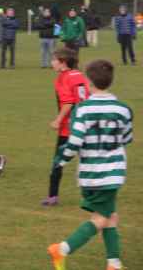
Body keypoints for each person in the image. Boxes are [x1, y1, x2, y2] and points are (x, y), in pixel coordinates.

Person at [47, 59, 132, 270]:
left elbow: (74, 141)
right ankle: (62, 249)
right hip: (112, 173)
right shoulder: (123, 109)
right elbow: (127, 138)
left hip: (90, 173)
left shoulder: (82, 109)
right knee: (102, 218)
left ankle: (113, 263)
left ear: (88, 82)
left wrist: (62, 160)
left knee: (109, 216)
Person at [41, 48, 89, 207]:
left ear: (63, 62)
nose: (52, 63)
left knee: (58, 162)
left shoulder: (63, 78)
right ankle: (91, 196)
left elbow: (68, 102)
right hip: (87, 125)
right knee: (87, 162)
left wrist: (58, 120)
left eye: (54, 60)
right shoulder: (80, 75)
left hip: (69, 128)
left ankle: (52, 196)